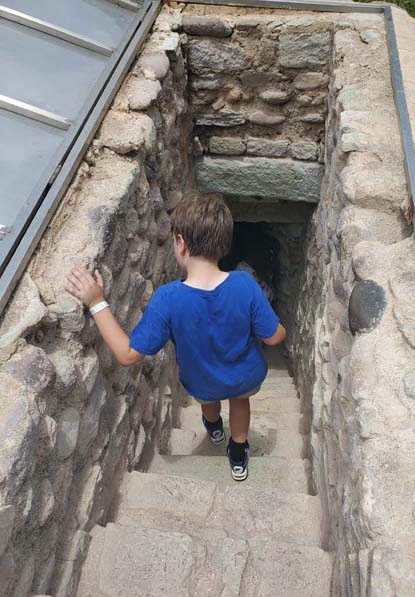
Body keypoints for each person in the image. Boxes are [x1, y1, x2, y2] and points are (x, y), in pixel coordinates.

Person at [65, 191, 285, 481]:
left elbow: (127, 354)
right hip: (244, 376)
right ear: (224, 243)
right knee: (240, 400)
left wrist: (96, 302)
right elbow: (274, 337)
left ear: (180, 243)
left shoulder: (168, 299)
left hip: (201, 381)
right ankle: (239, 449)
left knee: (209, 400)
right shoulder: (245, 284)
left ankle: (214, 427)